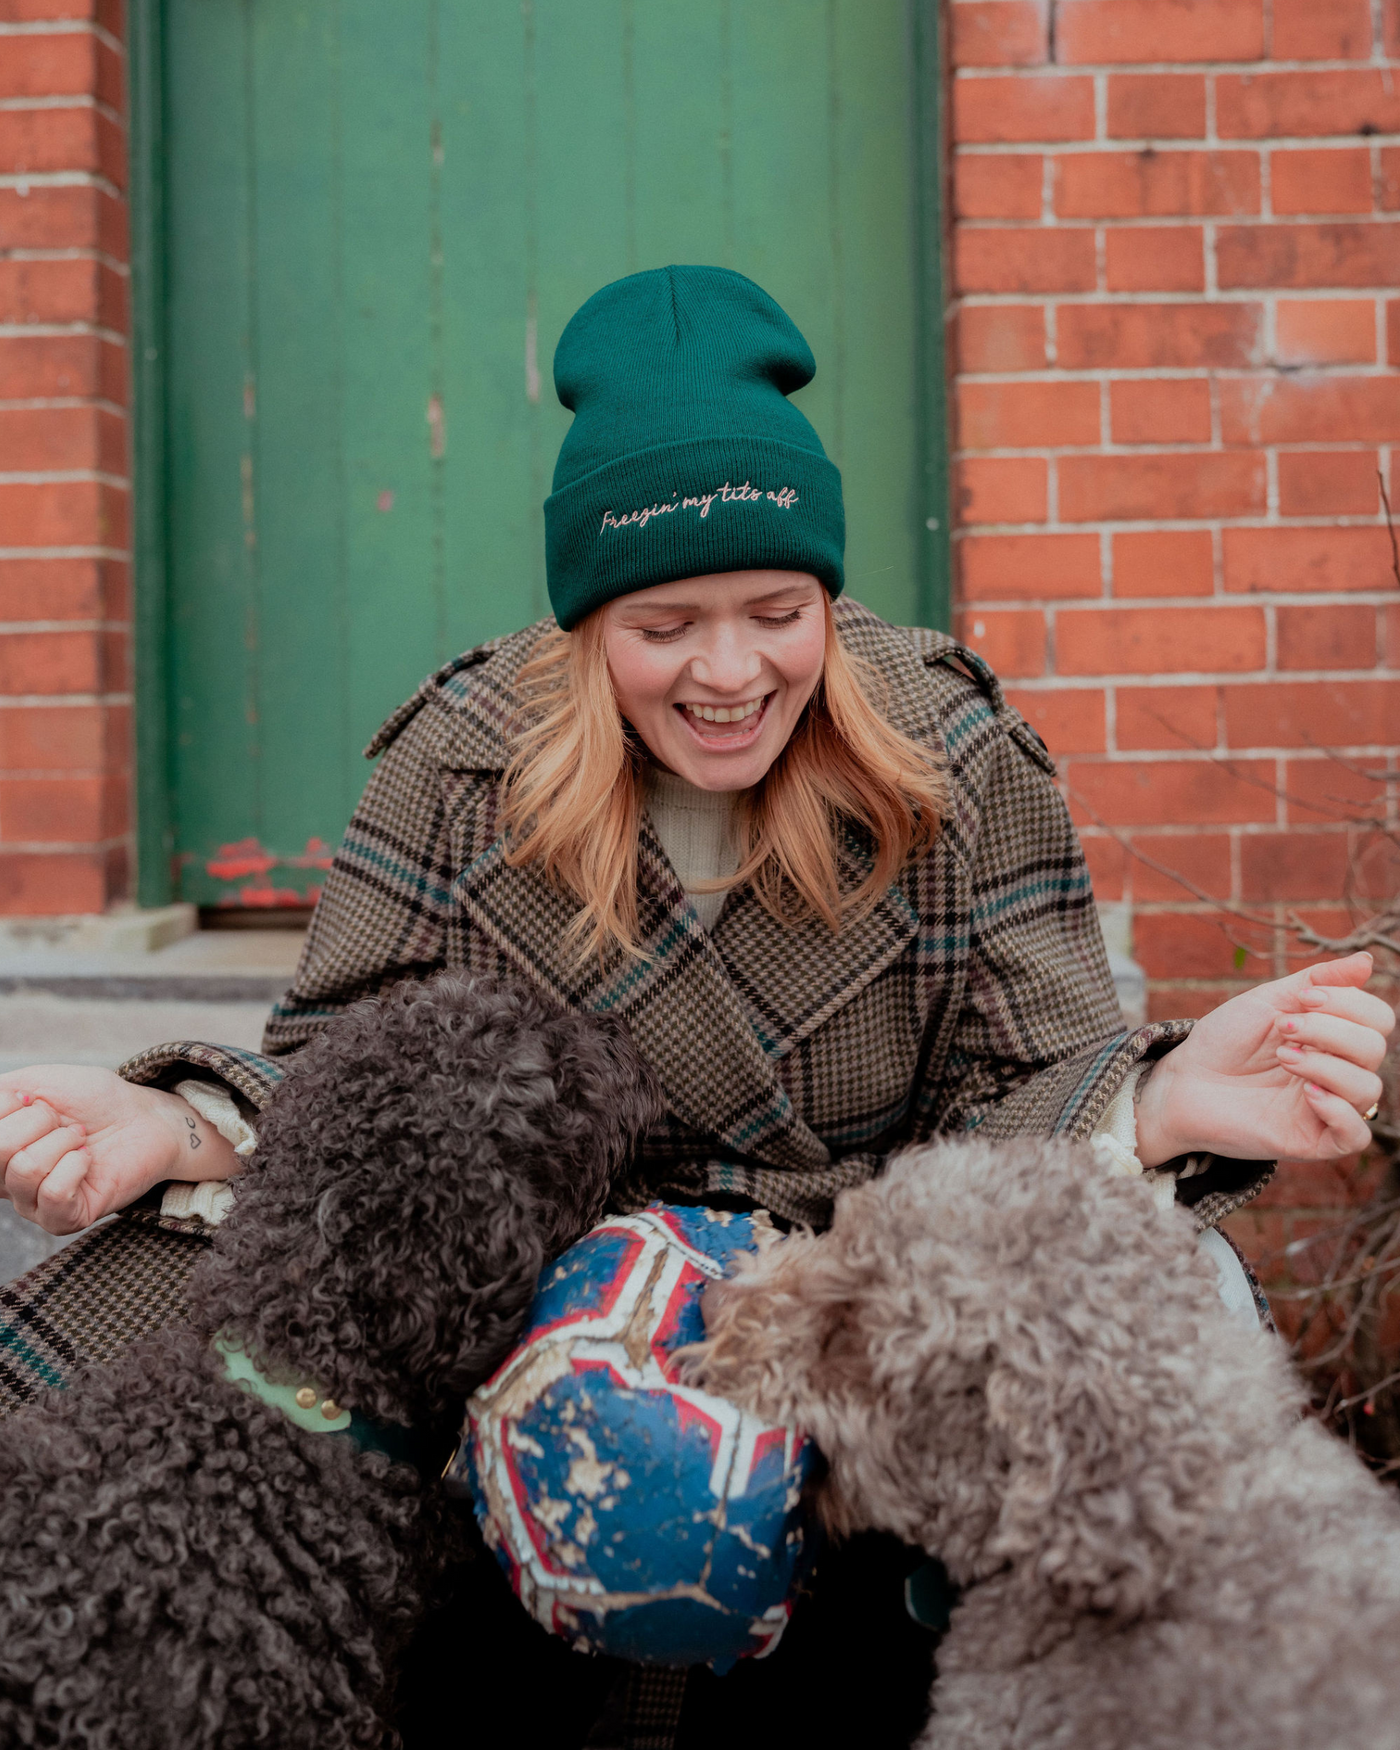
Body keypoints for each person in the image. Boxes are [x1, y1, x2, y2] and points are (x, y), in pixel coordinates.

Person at [0, 267, 1392, 1747]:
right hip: (535, 1335)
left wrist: (1157, 1102)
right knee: (157, 1317)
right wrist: (179, 1124)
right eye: (666, 623)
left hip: (845, 1326)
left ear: (828, 598)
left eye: (777, 610)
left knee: (1188, 1306)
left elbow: (1023, 1105)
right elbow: (355, 1093)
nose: (731, 674)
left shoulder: (959, 759)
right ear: (587, 621)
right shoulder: (459, 766)